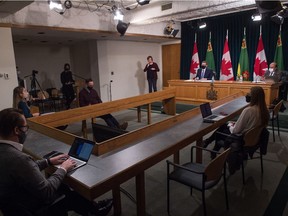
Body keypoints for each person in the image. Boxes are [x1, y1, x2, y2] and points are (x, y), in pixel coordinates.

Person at [0, 108, 113, 216]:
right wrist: (63, 168)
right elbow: (47, 191)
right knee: (64, 191)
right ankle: (94, 210)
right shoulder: (19, 158)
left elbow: (26, 170)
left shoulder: (6, 152)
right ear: (16, 130)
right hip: (30, 206)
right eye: (25, 128)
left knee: (62, 186)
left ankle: (92, 209)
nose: (26, 131)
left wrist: (48, 161)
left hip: (14, 205)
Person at [203, 86, 269, 158]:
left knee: (221, 130)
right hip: (254, 139)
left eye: (250, 93)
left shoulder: (248, 111)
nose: (247, 95)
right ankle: (210, 146)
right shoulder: (265, 111)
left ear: (254, 97)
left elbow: (235, 131)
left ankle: (212, 148)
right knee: (224, 126)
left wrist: (231, 126)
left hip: (241, 139)